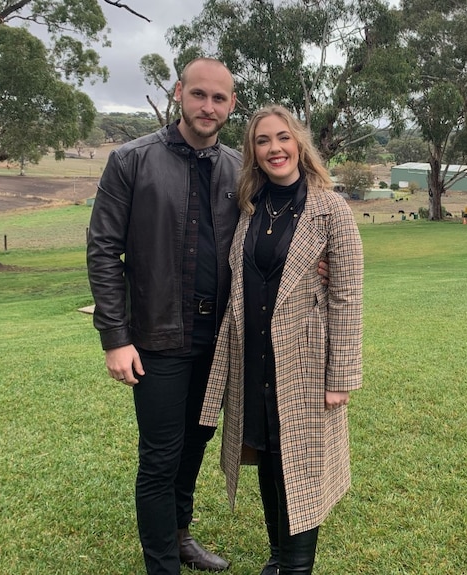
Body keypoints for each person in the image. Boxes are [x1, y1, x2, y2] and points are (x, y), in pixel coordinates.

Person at [86, 57, 239, 575]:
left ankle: (179, 537)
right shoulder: (130, 160)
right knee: (159, 457)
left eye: (219, 98)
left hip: (216, 340)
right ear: (179, 93)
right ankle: (162, 566)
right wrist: (114, 337)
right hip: (154, 338)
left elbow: (272, 238)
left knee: (195, 442)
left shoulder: (241, 169)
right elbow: (103, 249)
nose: (208, 106)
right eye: (199, 94)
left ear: (231, 105)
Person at [199, 105, 363, 575]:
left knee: (302, 468)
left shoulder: (330, 209)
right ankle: (277, 557)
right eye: (263, 141)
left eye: (283, 138)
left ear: (299, 144)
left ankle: (295, 566)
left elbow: (348, 296)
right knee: (270, 456)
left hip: (307, 363)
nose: (275, 149)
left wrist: (341, 376)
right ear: (253, 151)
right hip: (254, 360)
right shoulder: (249, 209)